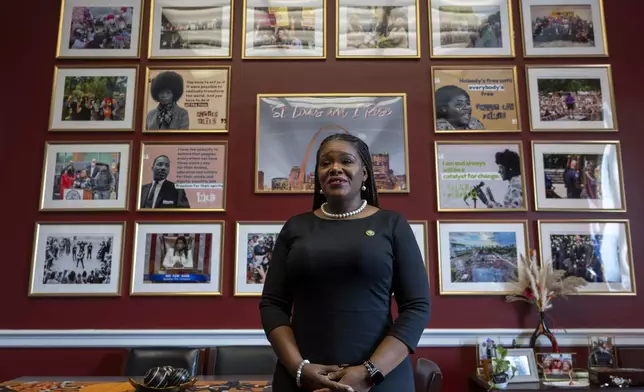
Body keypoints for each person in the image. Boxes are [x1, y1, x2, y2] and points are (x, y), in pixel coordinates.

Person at [259, 133, 431, 392]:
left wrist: (369, 373)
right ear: (318, 175)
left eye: (346, 161)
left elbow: (417, 306)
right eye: (325, 162)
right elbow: (273, 304)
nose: (335, 168)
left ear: (364, 173)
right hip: (302, 380)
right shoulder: (296, 227)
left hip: (380, 380)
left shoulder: (392, 225)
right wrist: (299, 368)